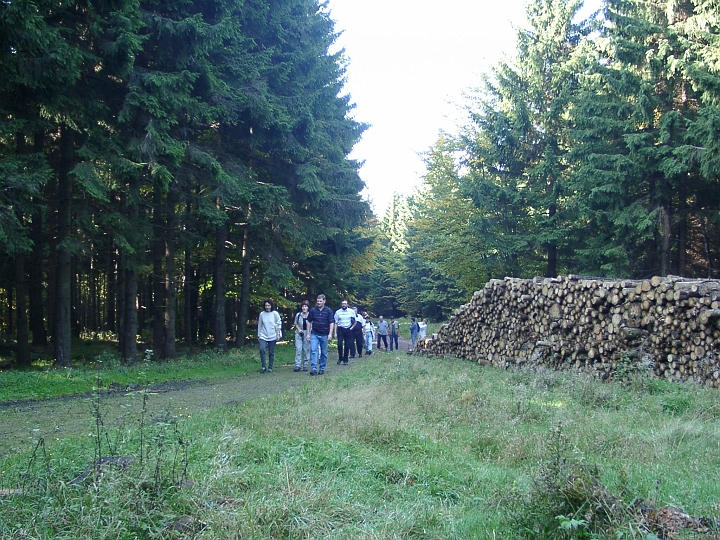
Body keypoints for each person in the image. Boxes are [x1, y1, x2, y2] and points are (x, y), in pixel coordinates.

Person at [306, 294, 334, 375]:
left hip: (324, 334)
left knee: (324, 352)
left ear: (324, 301)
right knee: (314, 350)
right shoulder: (313, 310)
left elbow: (331, 322)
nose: (318, 302)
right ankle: (314, 368)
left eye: (320, 301)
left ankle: (322, 367)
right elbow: (308, 322)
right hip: (314, 333)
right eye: (317, 301)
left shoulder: (328, 311)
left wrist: (330, 334)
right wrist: (308, 334)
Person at [257, 299, 282, 373]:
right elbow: (260, 325)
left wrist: (278, 334)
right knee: (262, 349)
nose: (267, 307)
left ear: (271, 306)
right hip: (263, 335)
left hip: (272, 335)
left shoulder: (275, 314)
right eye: (266, 305)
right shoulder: (262, 314)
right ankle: (263, 366)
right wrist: (258, 335)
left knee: (271, 352)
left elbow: (278, 324)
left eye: (268, 305)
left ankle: (270, 367)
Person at [333, 299, 356, 365]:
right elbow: (336, 322)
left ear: (347, 305)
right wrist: (335, 332)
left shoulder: (351, 311)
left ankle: (345, 360)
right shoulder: (338, 312)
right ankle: (340, 357)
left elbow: (355, 321)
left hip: (348, 329)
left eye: (345, 304)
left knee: (347, 345)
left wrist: (351, 328)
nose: (343, 305)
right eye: (342, 304)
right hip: (340, 329)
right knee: (339, 344)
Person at [293, 300, 311, 372]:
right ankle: (298, 365)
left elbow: (311, 325)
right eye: (303, 306)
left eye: (305, 306)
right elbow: (295, 323)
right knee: (298, 349)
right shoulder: (298, 315)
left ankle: (306, 365)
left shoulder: (310, 315)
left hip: (307, 333)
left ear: (308, 307)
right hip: (299, 333)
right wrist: (299, 330)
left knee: (306, 349)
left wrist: (308, 334)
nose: (304, 308)